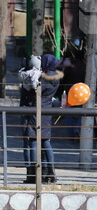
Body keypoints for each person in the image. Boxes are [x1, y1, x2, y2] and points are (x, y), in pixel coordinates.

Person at [19, 54, 63, 184]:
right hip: (47, 111)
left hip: (36, 111)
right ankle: (50, 172)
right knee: (46, 142)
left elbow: (36, 89)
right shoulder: (56, 77)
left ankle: (34, 174)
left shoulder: (44, 77)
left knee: (33, 141)